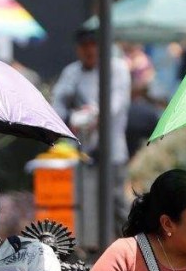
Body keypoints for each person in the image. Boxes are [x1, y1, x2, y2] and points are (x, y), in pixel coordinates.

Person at [51, 27, 131, 223]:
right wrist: (72, 116)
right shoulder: (71, 72)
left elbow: (114, 105)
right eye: (85, 46)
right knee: (84, 206)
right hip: (79, 153)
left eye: (94, 45)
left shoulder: (117, 69)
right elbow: (57, 107)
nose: (90, 50)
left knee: (116, 204)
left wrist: (90, 114)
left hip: (111, 152)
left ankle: (131, 249)